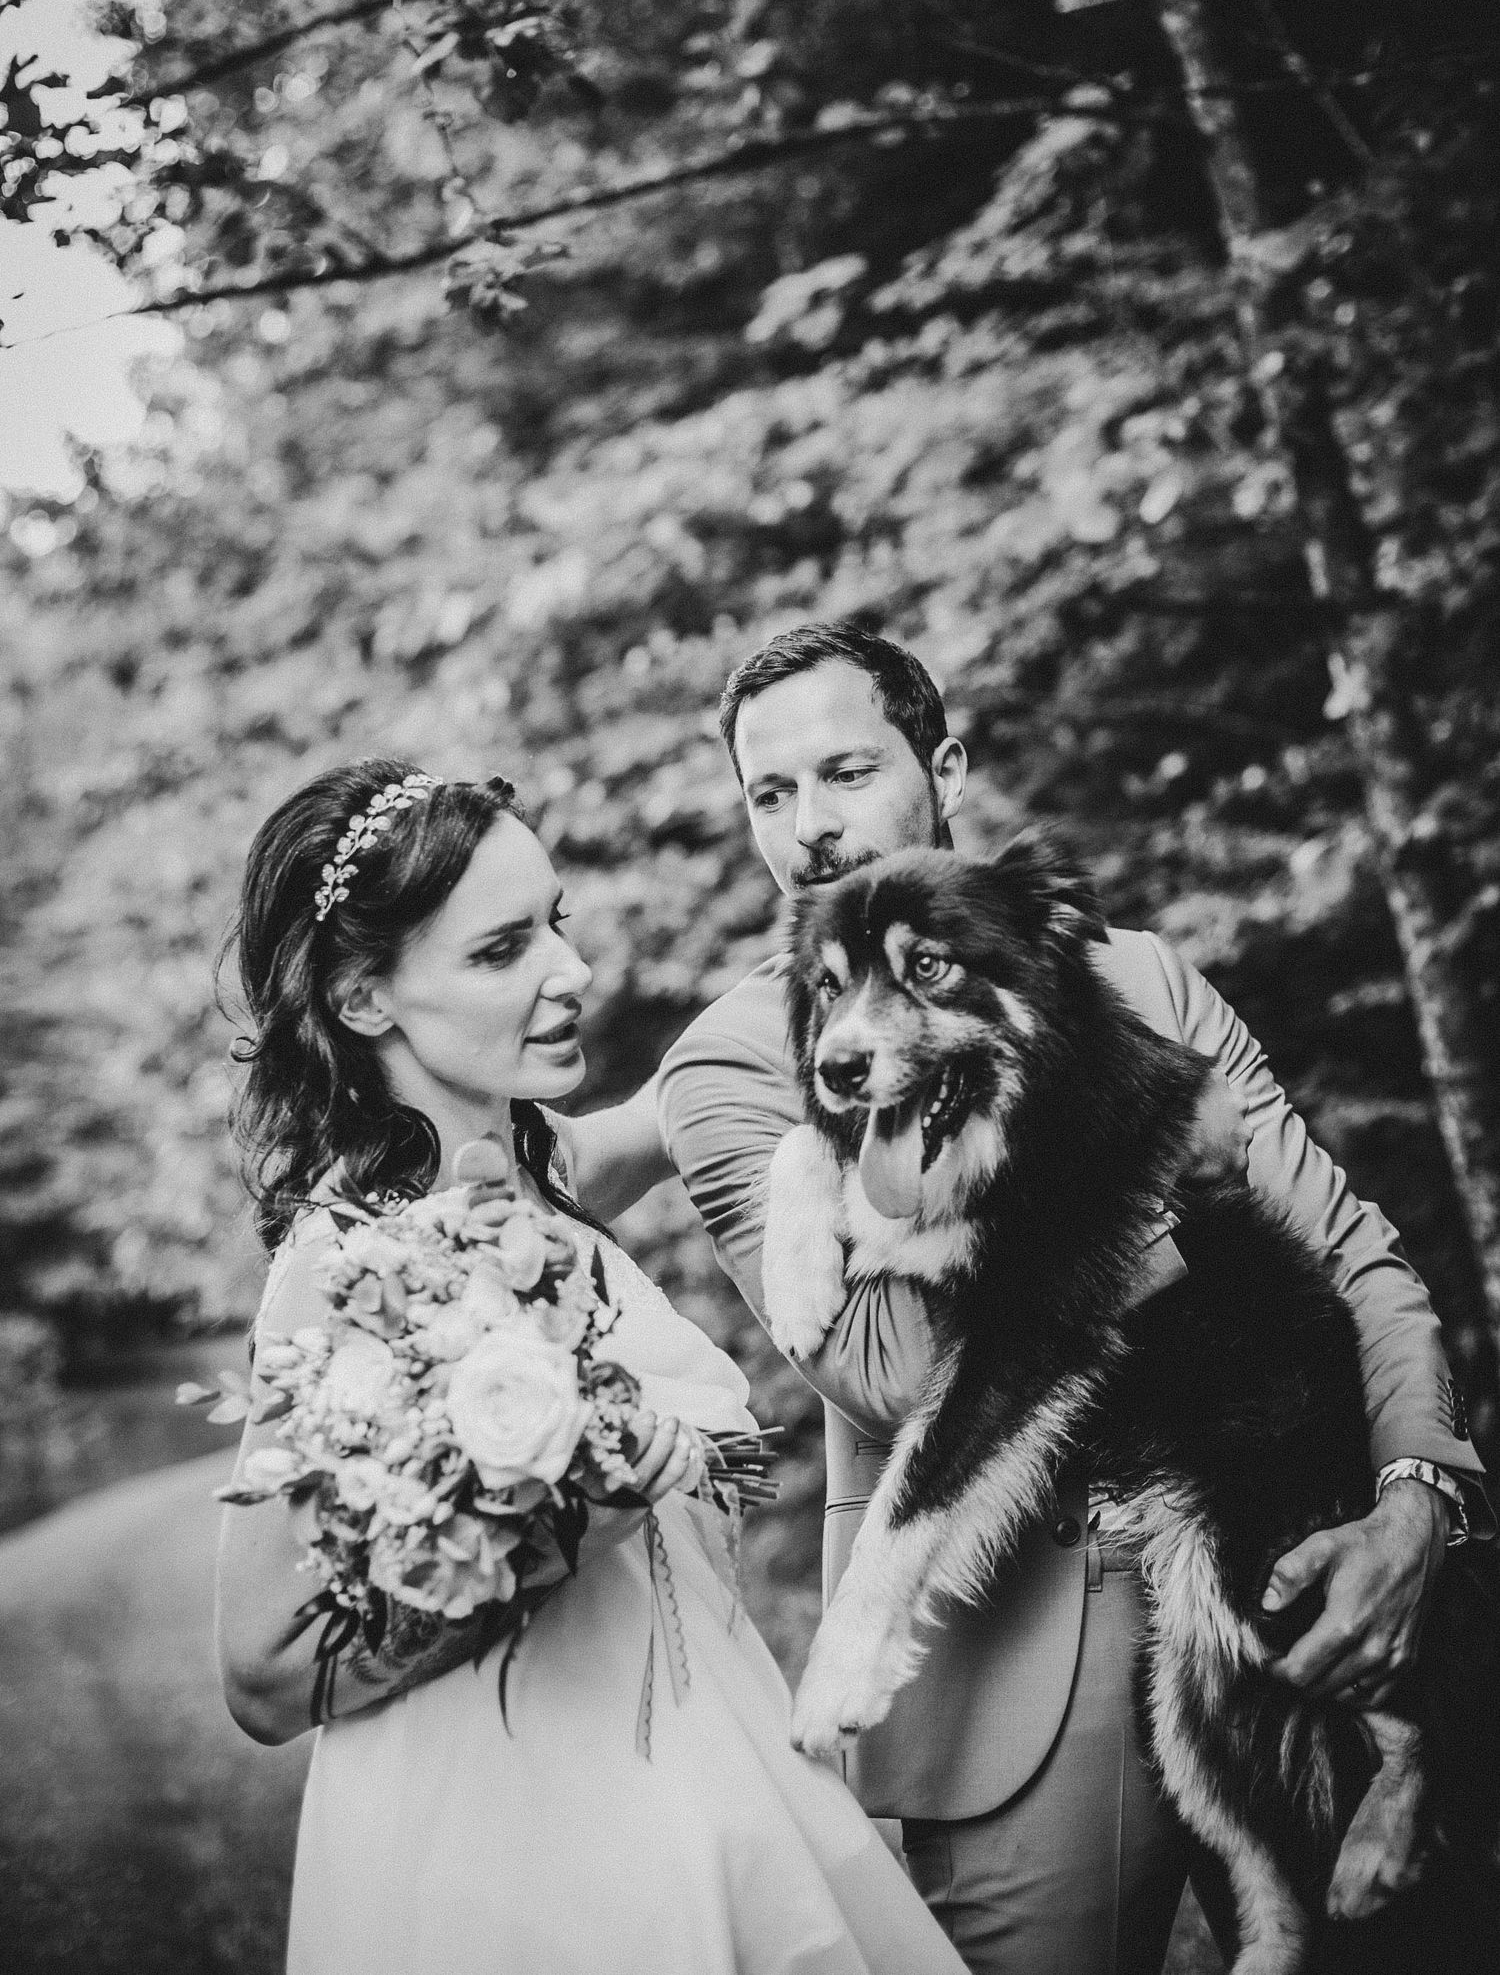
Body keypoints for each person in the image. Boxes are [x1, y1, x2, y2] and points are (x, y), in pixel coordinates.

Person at [565, 623, 1490, 1975]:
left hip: (1285, 1560)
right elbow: (877, 1360)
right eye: (772, 794)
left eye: (844, 771)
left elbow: (1351, 1251)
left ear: (941, 766)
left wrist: (1418, 1492)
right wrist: (1139, 1203)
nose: (813, 826)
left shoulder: (1145, 977)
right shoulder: (742, 1061)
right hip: (1001, 1689)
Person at [215, 758, 967, 1975]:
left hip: (716, 1769)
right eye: (503, 949)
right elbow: (261, 1676)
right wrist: (552, 1534)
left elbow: (692, 1092)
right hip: (516, 1848)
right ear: (364, 997)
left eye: (557, 922)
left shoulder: (545, 1174)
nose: (570, 972)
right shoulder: (345, 1268)